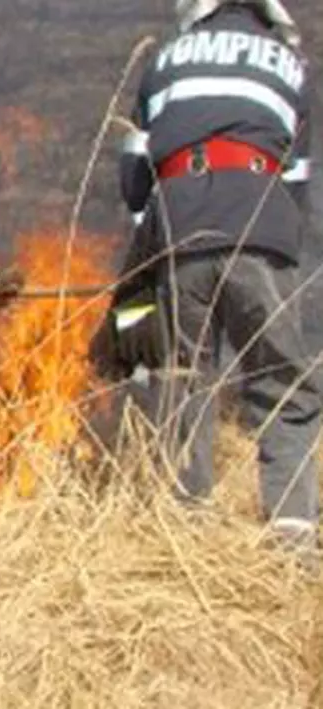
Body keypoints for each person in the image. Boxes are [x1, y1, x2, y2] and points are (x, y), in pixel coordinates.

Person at [93, 0, 319, 569]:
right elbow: (295, 176)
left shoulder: (166, 57)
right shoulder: (288, 62)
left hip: (179, 227)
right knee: (282, 383)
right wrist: (276, 243)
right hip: (259, 225)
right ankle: (293, 537)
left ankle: (185, 526)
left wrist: (155, 248)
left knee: (182, 378)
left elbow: (135, 173)